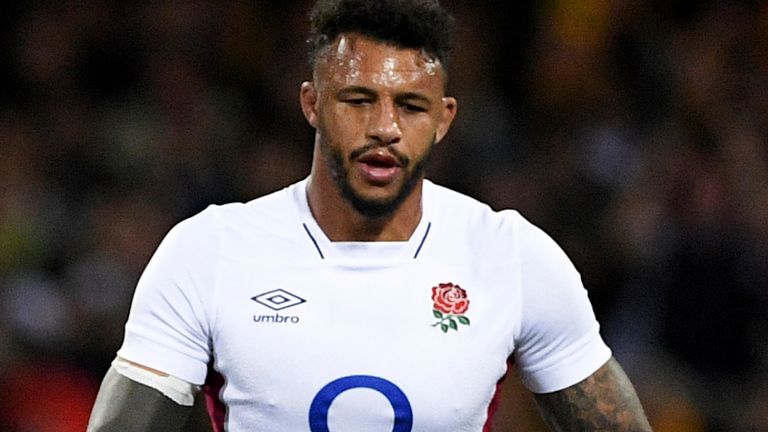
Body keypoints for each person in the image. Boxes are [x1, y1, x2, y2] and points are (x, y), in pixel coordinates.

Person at [87, 0, 652, 430]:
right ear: (312, 103)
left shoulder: (509, 256)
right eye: (358, 100)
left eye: (410, 105)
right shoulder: (210, 251)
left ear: (444, 118)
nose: (384, 128)